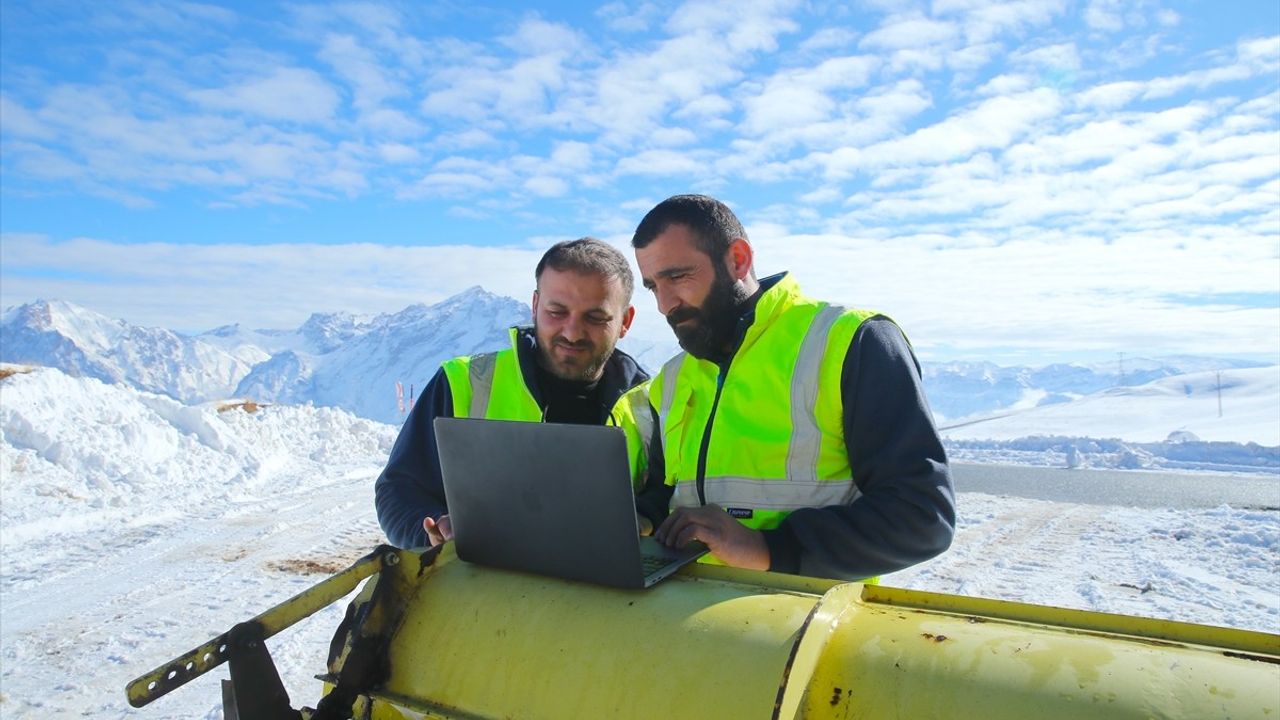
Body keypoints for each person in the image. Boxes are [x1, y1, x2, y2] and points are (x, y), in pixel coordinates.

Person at [618, 194, 955, 581]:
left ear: (738, 259)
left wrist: (768, 549)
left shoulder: (849, 341)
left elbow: (922, 517)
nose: (664, 304)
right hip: (693, 621)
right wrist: (640, 517)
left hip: (805, 623)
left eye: (678, 277)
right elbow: (673, 494)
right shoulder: (675, 377)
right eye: (652, 286)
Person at [375, 237, 649, 549]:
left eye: (595, 317)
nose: (572, 332)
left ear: (625, 321)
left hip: (606, 594)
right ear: (535, 306)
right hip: (480, 591)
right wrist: (431, 531)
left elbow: (663, 507)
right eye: (556, 311)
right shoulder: (464, 382)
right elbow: (399, 489)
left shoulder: (653, 405)